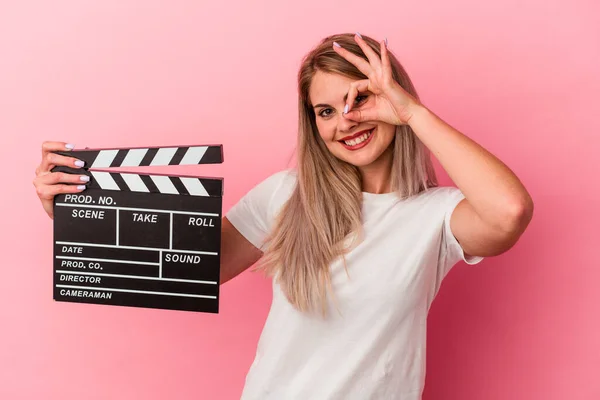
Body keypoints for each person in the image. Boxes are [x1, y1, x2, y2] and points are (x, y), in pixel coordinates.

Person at [33, 32, 533, 399]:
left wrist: (411, 113)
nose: (347, 121)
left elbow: (509, 211)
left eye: (361, 99)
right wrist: (75, 212)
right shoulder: (286, 195)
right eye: (326, 111)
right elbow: (194, 266)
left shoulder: (436, 217)